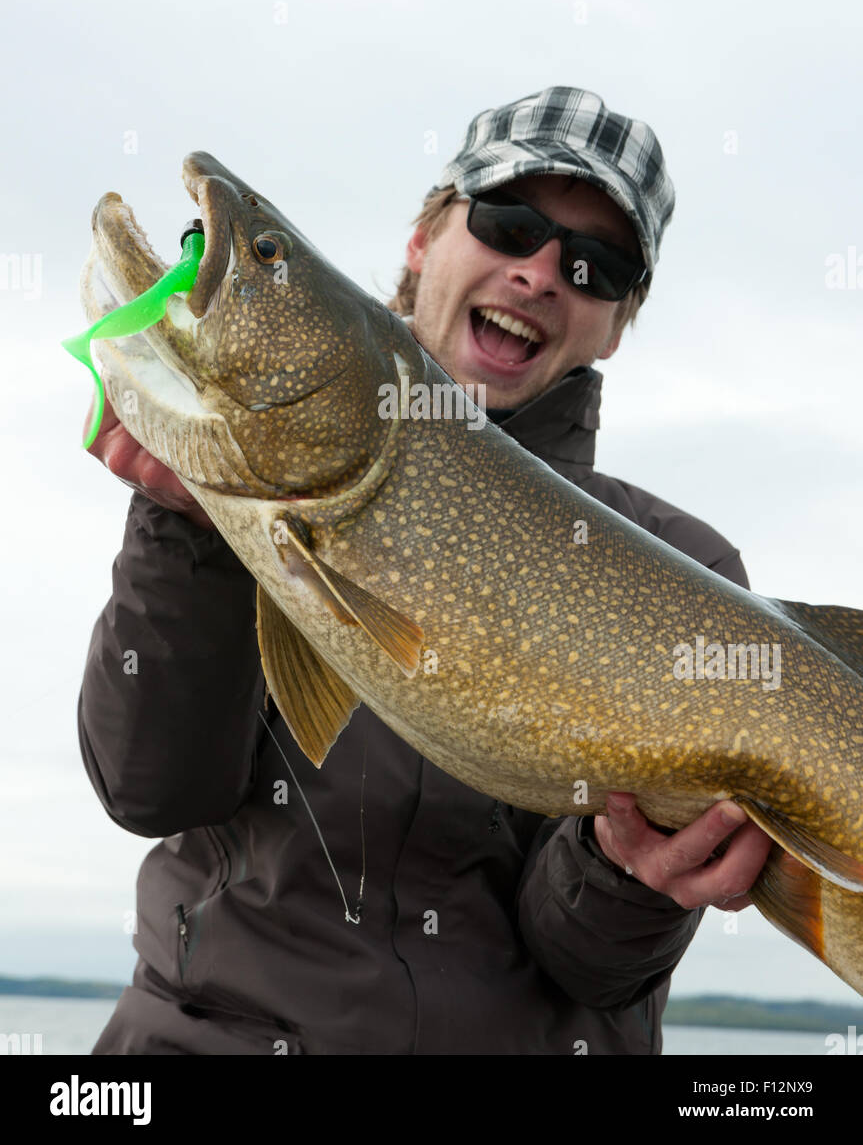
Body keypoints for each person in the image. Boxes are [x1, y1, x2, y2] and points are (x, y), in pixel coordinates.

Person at [80, 85, 771, 1056]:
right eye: (507, 221)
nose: (538, 272)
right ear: (423, 239)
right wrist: (187, 528)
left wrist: (624, 873)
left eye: (591, 263)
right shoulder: (251, 486)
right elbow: (150, 788)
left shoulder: (689, 577)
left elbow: (584, 966)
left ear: (614, 325)